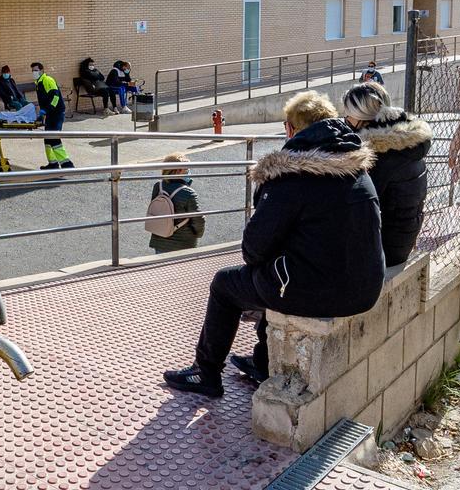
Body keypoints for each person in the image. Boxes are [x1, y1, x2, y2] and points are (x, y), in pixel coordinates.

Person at [162, 91, 383, 396]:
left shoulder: (292, 176)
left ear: (290, 129)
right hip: (365, 288)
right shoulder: (357, 167)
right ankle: (264, 361)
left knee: (226, 284)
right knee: (282, 270)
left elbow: (253, 250)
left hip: (323, 290)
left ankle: (206, 372)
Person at [342, 82, 433, 267]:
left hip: (383, 250)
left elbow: (354, 206)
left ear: (362, 117)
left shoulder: (377, 154)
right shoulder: (408, 143)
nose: (345, 120)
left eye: (348, 115)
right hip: (402, 241)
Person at [148, 153, 205, 254]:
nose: (188, 172)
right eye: (186, 169)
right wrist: (197, 235)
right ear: (178, 171)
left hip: (160, 240)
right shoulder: (188, 193)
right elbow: (198, 220)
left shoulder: (158, 186)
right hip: (183, 244)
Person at [32, 62, 73, 169]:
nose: (34, 72)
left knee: (54, 138)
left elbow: (55, 97)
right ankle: (53, 163)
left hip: (56, 113)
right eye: (33, 70)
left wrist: (47, 110)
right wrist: (43, 112)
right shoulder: (38, 82)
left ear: (42, 70)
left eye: (36, 70)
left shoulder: (47, 80)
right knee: (47, 138)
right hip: (50, 113)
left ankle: (67, 164)